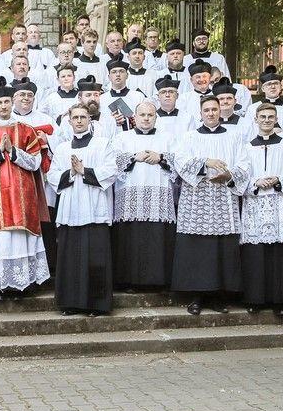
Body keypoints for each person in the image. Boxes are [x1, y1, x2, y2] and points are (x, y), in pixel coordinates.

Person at [0, 78, 51, 299]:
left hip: (21, 194)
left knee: (18, 237)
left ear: (12, 101)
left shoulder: (26, 130)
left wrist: (13, 151)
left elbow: (35, 163)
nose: (4, 106)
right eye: (0, 103)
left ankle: (21, 284)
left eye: (7, 101)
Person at [171, 96, 249, 315]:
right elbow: (181, 162)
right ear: (201, 112)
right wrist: (205, 163)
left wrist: (229, 175)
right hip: (197, 198)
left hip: (224, 196)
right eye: (207, 110)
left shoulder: (234, 136)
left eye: (215, 109)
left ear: (220, 111)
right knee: (198, 248)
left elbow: (245, 163)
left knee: (220, 247)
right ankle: (196, 296)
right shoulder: (189, 136)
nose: (211, 113)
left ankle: (218, 296)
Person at [48, 104, 117, 316]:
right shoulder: (61, 149)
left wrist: (84, 171)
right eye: (75, 117)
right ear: (69, 121)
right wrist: (70, 173)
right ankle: (69, 303)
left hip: (95, 208)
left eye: (83, 117)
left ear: (90, 120)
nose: (79, 121)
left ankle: (96, 304)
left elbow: (111, 171)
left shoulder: (102, 144)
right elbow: (51, 175)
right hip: (70, 209)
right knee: (70, 258)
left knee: (96, 259)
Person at [240, 103, 283, 317]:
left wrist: (278, 181)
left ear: (276, 120)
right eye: (263, 116)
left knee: (280, 255)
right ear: (256, 120)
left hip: (280, 206)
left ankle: (281, 301)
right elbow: (240, 178)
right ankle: (254, 300)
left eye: (270, 117)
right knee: (255, 255)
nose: (266, 120)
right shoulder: (246, 147)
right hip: (254, 206)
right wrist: (255, 182)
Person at [109, 101, 177, 291]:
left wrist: (161, 157)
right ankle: (129, 281)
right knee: (131, 238)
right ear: (135, 117)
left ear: (156, 118)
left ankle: (159, 281)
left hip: (159, 194)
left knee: (158, 238)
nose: (146, 118)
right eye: (142, 115)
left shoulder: (168, 138)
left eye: (150, 115)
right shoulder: (122, 137)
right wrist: (133, 157)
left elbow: (179, 161)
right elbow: (112, 161)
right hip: (130, 195)